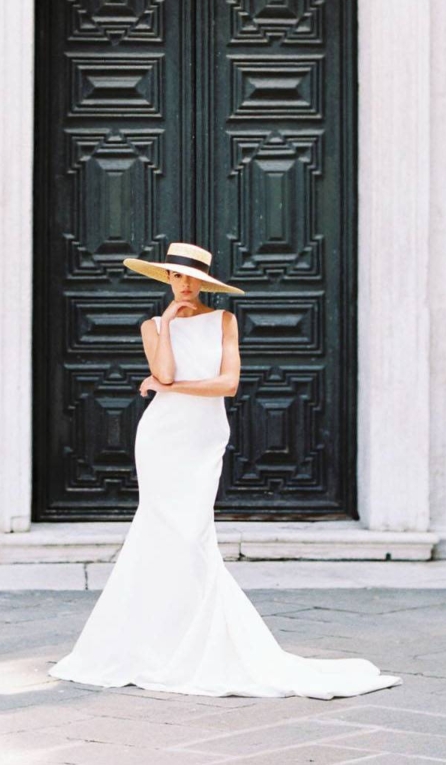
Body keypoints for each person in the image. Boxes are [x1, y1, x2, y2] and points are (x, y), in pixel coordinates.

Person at [47, 242, 402, 699]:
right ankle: (151, 642)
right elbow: (167, 374)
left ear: (205, 282)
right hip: (160, 438)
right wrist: (168, 330)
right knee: (158, 530)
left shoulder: (225, 322)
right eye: (177, 277)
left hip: (202, 438)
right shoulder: (152, 326)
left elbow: (227, 384)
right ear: (166, 280)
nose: (186, 285)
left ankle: (201, 640)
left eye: (193, 278)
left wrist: (167, 385)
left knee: (192, 534)